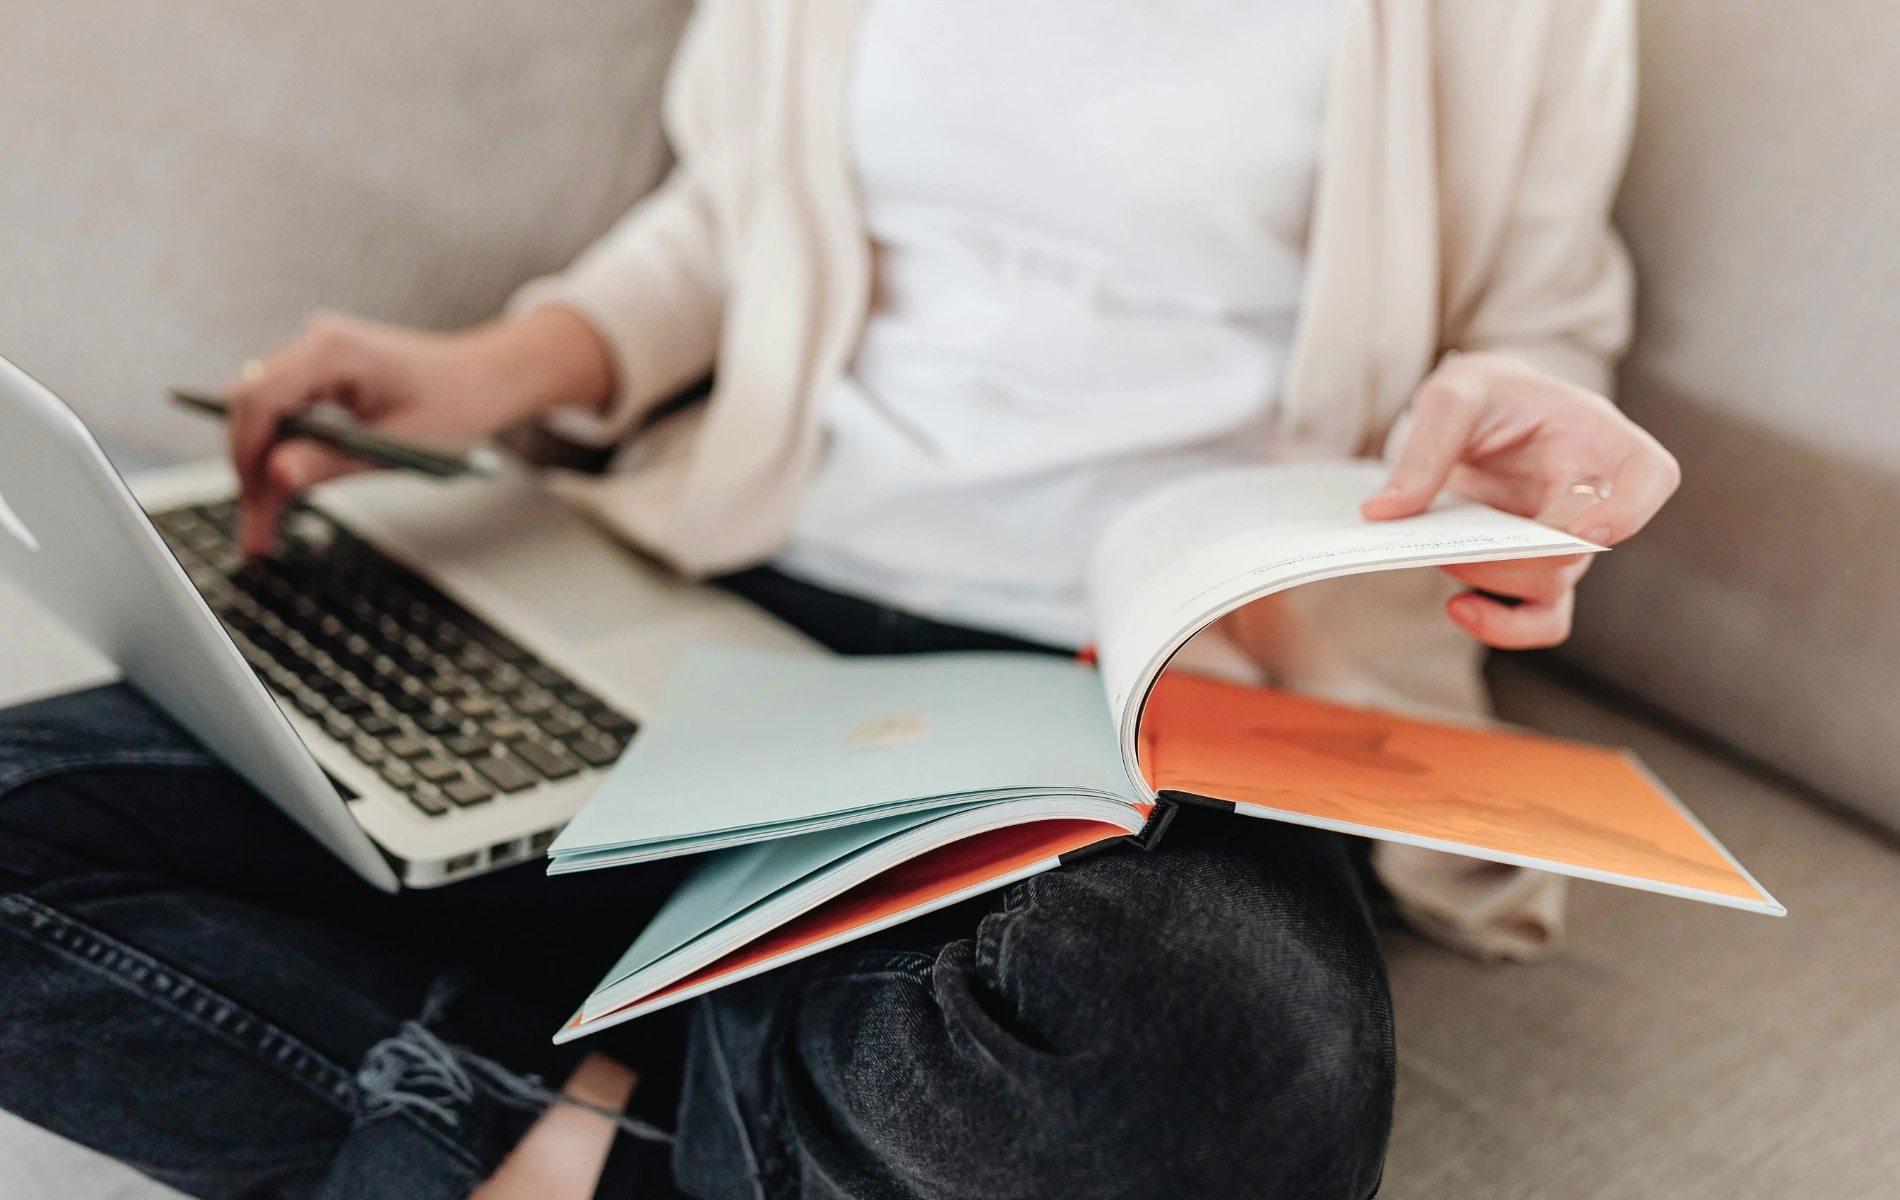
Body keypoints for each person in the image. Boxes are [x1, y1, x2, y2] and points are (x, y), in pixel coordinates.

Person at [0, 2, 1677, 1198]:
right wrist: (486, 371)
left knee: (1215, 1048)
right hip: (729, 605)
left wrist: (1529, 462)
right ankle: (625, 1123)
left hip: (1137, 698)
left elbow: (1542, 318)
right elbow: (737, 223)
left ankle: (627, 1088)